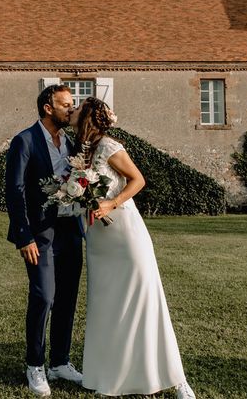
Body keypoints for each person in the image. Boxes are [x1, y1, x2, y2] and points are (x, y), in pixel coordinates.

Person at [71, 96, 196, 399]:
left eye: (76, 108)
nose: (71, 111)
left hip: (126, 233)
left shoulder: (109, 146)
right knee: (107, 305)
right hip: (99, 238)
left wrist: (110, 202)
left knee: (145, 301)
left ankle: (176, 380)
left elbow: (138, 180)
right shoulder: (80, 151)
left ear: (87, 115)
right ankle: (110, 377)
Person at [5, 84, 86, 396]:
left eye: (72, 104)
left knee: (66, 299)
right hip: (39, 236)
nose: (71, 109)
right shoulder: (24, 141)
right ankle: (35, 365)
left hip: (70, 231)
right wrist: (23, 236)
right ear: (47, 108)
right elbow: (15, 192)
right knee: (44, 297)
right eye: (65, 105)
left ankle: (60, 362)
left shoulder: (70, 142)